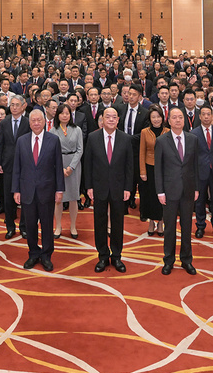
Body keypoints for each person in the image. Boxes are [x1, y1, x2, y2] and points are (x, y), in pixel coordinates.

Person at [85, 106, 136, 273]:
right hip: (98, 187)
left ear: (118, 120)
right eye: (108, 117)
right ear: (102, 119)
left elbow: (129, 166)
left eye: (114, 117)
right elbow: (88, 164)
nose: (111, 120)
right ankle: (102, 256)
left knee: (117, 222)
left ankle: (116, 256)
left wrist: (128, 188)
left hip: (119, 187)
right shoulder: (93, 137)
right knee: (99, 222)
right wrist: (89, 186)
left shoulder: (125, 138)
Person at [13, 109, 64, 272]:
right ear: (29, 123)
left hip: (47, 190)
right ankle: (33, 253)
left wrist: (59, 189)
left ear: (44, 122)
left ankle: (46, 255)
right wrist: (16, 190)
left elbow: (58, 166)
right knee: (30, 225)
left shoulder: (53, 140)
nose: (36, 123)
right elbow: (17, 167)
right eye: (33, 121)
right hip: (27, 190)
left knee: (47, 225)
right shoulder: (21, 141)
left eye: (39, 120)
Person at [155, 107, 199, 276]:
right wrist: (160, 191)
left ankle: (187, 260)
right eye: (174, 117)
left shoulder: (192, 139)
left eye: (180, 117)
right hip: (169, 191)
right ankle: (169, 260)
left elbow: (195, 166)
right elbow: (158, 169)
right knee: (170, 228)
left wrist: (196, 188)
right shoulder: (161, 141)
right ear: (169, 120)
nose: (178, 120)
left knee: (187, 227)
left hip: (188, 190)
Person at [0, 94, 28, 239]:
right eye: (12, 105)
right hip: (8, 164)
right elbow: (0, 144)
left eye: (17, 105)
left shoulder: (28, 122)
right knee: (8, 198)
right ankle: (10, 227)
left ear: (23, 106)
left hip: (25, 164)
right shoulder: (4, 122)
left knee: (25, 197)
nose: (14, 107)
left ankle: (24, 227)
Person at [192, 106, 213, 240]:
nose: (206, 117)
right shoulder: (194, 133)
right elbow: (192, 156)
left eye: (208, 114)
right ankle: (200, 226)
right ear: (200, 116)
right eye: (203, 114)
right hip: (200, 171)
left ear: (212, 116)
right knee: (200, 200)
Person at [53, 104, 84, 240]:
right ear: (58, 115)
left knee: (73, 197)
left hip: (74, 164)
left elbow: (80, 150)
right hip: (58, 164)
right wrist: (60, 167)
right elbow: (51, 151)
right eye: (62, 113)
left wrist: (71, 167)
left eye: (67, 113)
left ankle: (73, 226)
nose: (65, 115)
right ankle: (58, 226)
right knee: (58, 198)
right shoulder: (53, 130)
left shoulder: (77, 129)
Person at [138, 106, 166, 237]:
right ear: (149, 119)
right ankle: (151, 222)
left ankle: (160, 222)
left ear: (162, 118)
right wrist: (142, 171)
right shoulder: (145, 132)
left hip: (164, 169)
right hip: (149, 168)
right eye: (153, 117)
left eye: (158, 117)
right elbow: (142, 152)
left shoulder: (167, 131)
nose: (156, 119)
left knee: (162, 197)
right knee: (150, 197)